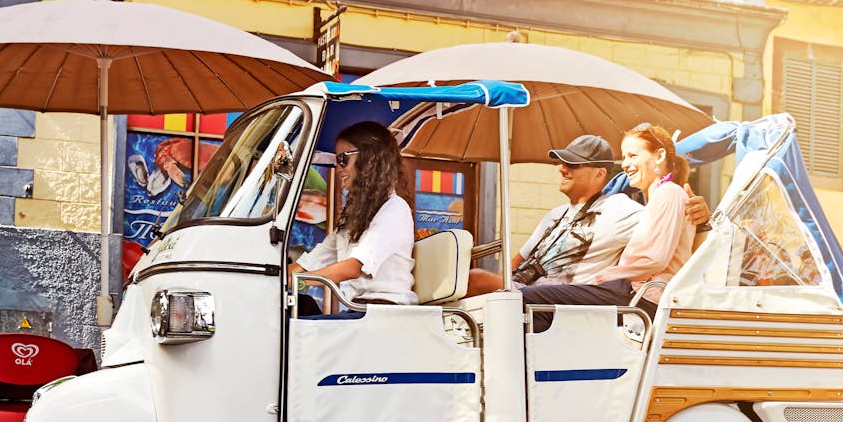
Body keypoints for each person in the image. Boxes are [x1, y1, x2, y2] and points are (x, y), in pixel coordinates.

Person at [466, 133, 707, 297]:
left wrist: (700, 216)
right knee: (468, 283)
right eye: (562, 162)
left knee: (475, 280)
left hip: (562, 302)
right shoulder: (554, 215)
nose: (562, 168)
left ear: (599, 174)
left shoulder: (620, 209)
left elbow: (668, 232)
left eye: (572, 164)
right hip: (522, 291)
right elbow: (516, 264)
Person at [521, 123, 694, 322]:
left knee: (527, 300)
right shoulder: (659, 197)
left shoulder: (668, 193)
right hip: (633, 292)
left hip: (644, 298)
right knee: (535, 303)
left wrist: (605, 276)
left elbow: (656, 260)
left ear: (660, 156)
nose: (625, 164)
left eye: (633, 155)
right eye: (624, 157)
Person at [288, 121, 418, 314]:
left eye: (342, 159)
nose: (338, 168)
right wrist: (276, 276)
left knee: (302, 327)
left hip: (385, 312)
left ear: (370, 159)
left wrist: (299, 280)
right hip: (359, 311)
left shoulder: (394, 208)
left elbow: (353, 267)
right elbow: (312, 261)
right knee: (299, 313)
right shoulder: (354, 219)